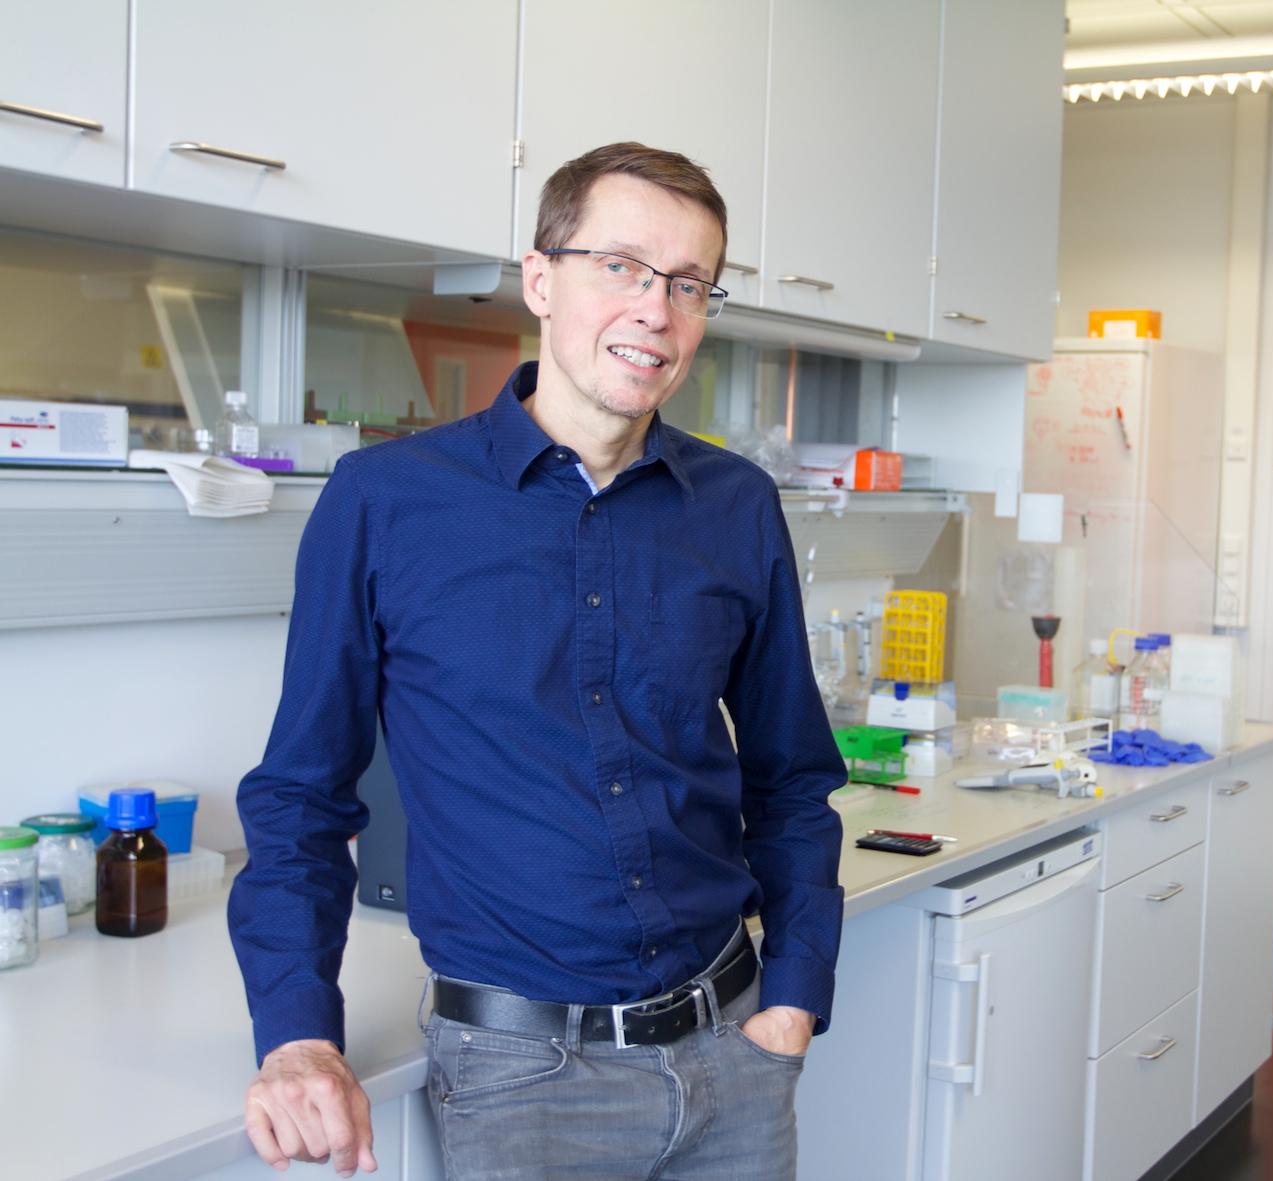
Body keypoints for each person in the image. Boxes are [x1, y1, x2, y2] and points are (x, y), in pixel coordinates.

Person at [227, 142, 847, 1180]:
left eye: (688, 282)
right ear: (540, 278)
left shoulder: (737, 504)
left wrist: (792, 993)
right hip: (522, 1079)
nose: (655, 309)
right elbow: (300, 795)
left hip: (734, 1051)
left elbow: (791, 775)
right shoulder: (384, 502)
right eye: (621, 266)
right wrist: (296, 1032)